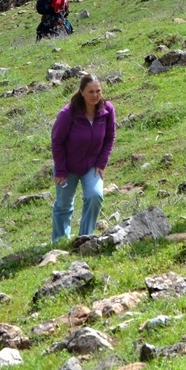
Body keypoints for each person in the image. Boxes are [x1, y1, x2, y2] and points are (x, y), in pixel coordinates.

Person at [50, 73, 116, 244]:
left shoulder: (107, 110)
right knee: (64, 206)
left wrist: (101, 163)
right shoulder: (68, 114)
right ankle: (60, 242)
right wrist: (61, 170)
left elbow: (110, 137)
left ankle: (85, 239)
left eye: (98, 91)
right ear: (81, 92)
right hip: (67, 166)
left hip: (92, 165)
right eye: (90, 92)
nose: (95, 95)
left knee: (95, 196)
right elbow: (57, 142)